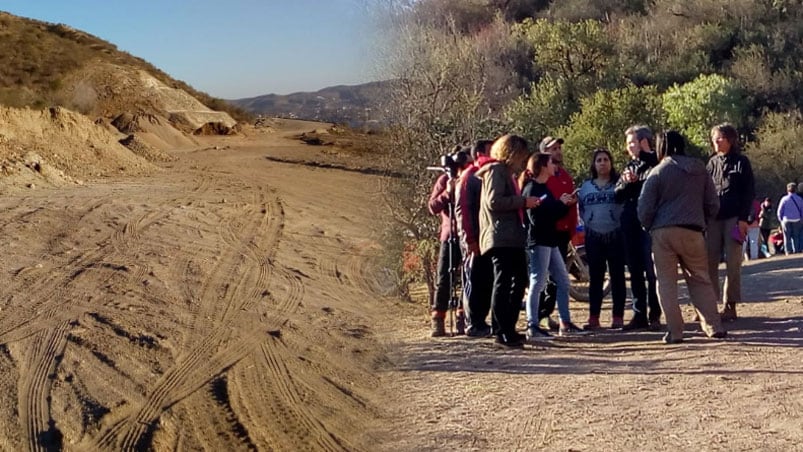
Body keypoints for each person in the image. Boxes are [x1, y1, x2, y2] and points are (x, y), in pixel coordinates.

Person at [638, 130, 727, 344]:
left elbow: (644, 207)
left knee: (667, 283)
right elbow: (713, 203)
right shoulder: (699, 168)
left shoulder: (658, 171)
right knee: (700, 279)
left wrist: (648, 226)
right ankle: (713, 326)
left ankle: (675, 332)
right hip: (693, 230)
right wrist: (703, 220)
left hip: (663, 231)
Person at [477, 134, 540, 347]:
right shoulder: (496, 171)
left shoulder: (507, 173)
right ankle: (500, 330)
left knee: (519, 280)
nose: (523, 160)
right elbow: (494, 201)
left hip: (511, 236)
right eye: (521, 155)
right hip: (500, 236)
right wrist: (523, 201)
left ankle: (508, 328)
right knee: (504, 282)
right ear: (511, 153)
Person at [521, 152, 587, 338]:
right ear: (542, 166)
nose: (554, 165)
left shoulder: (544, 188)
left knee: (563, 281)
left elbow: (552, 213)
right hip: (539, 242)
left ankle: (565, 323)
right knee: (538, 282)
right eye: (550, 162)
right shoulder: (532, 189)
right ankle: (532, 324)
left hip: (550, 241)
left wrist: (563, 204)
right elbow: (536, 218)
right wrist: (560, 205)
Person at [706, 123, 755, 321]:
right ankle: (708, 304)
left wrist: (744, 219)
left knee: (733, 263)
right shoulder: (710, 164)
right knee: (709, 262)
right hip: (713, 218)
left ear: (730, 140)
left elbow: (749, 192)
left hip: (734, 218)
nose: (716, 142)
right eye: (714, 139)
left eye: (720, 138)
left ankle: (730, 305)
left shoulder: (741, 162)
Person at [615, 125, 661, 330]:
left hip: (651, 225)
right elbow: (616, 195)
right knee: (634, 271)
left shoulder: (658, 163)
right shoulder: (629, 166)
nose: (629, 147)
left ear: (644, 142)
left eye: (632, 142)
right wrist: (625, 183)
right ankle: (638, 314)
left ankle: (655, 315)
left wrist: (638, 183)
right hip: (630, 224)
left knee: (652, 272)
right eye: (627, 144)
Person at [577, 148, 627, 330]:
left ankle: (618, 317)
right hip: (593, 237)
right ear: (594, 164)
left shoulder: (619, 184)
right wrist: (589, 222)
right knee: (596, 278)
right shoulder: (586, 187)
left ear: (611, 163)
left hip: (616, 235)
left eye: (606, 159)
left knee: (618, 277)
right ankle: (593, 318)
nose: (603, 163)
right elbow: (581, 208)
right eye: (599, 160)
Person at [536, 136, 578, 331]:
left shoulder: (564, 175)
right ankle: (540, 316)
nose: (558, 151)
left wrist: (572, 226)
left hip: (563, 232)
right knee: (546, 278)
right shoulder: (541, 179)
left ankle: (563, 319)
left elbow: (569, 203)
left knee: (560, 278)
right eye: (553, 149)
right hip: (547, 233)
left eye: (559, 148)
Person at [427, 146, 469, 337]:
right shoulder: (444, 180)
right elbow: (433, 207)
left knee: (468, 278)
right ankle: (438, 319)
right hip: (450, 235)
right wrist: (447, 192)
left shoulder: (471, 178)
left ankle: (463, 316)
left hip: (468, 235)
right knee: (444, 279)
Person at [455, 140, 494, 337]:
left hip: (486, 237)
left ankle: (481, 321)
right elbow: (462, 211)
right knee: (474, 280)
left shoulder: (484, 176)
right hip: (474, 239)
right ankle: (473, 323)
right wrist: (470, 240)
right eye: (490, 150)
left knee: (486, 280)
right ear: (480, 153)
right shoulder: (468, 177)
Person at [777, 182, 803, 254]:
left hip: (786, 219)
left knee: (786, 236)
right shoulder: (799, 199)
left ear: (787, 190)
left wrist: (780, 219)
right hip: (797, 219)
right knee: (796, 236)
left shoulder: (784, 199)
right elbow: (802, 210)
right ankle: (796, 250)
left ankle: (788, 250)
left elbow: (780, 210)